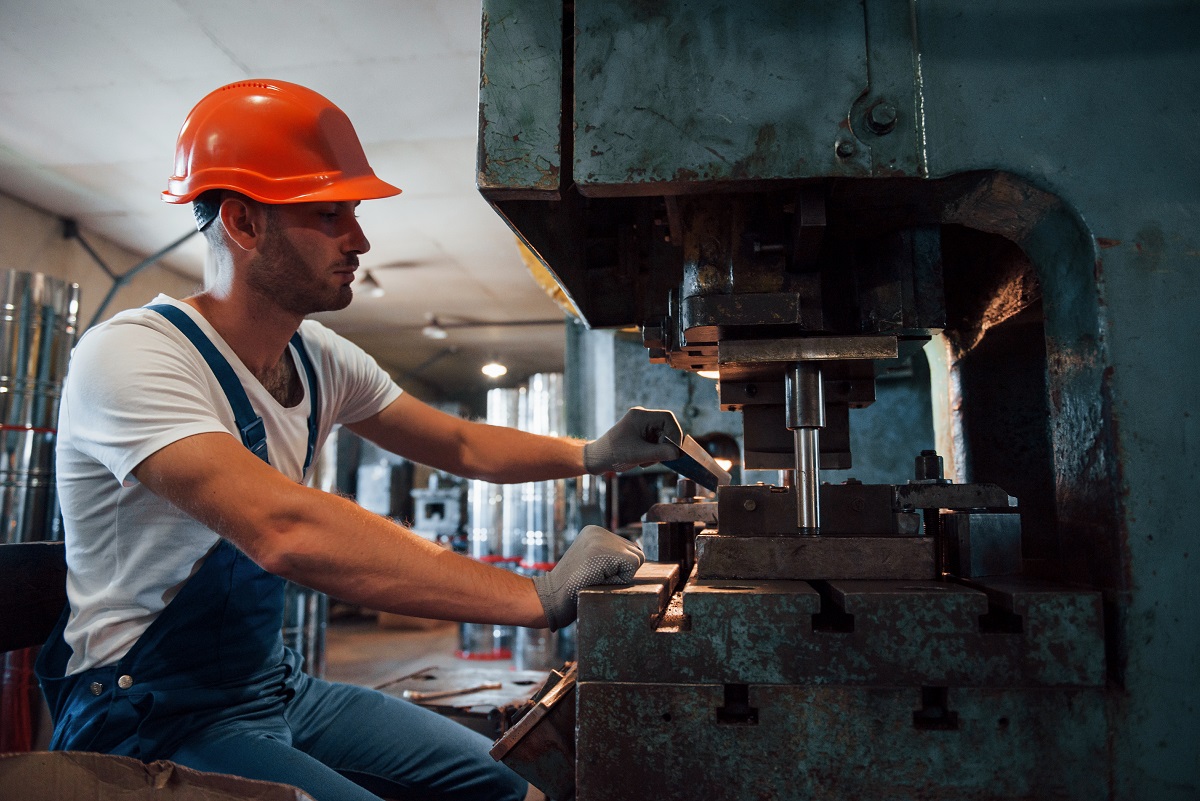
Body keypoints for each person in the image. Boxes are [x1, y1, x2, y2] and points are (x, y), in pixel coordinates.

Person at [36, 79, 683, 801]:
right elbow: (283, 529)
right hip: (147, 715)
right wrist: (536, 595)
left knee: (517, 789)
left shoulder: (317, 356)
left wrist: (594, 452)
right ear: (244, 223)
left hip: (271, 687)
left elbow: (463, 447)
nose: (361, 240)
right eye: (330, 214)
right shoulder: (132, 355)